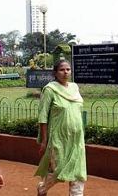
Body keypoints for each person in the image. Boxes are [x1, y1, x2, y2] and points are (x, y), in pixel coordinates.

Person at [35, 60, 86, 196]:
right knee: (58, 170)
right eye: (62, 70)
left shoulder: (75, 88)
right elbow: (43, 116)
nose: (65, 72)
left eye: (68, 69)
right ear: (55, 73)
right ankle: (43, 188)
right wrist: (44, 141)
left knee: (78, 171)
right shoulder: (50, 89)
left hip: (76, 139)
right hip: (58, 138)